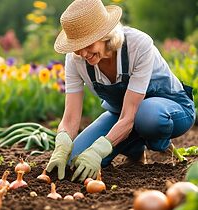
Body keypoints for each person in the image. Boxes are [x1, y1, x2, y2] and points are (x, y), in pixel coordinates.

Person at [46, 0, 196, 182]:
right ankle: (135, 150)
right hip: (123, 115)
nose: (83, 54)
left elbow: (130, 116)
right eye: (77, 47)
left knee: (147, 116)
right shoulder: (75, 60)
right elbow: (70, 118)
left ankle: (159, 143)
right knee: (74, 160)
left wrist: (98, 150)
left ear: (104, 35)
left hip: (170, 109)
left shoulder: (138, 45)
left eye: (87, 45)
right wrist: (61, 144)